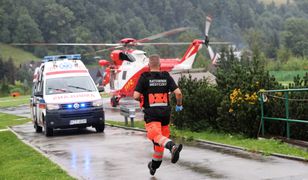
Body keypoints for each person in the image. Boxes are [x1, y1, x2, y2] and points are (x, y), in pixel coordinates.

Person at [133, 54, 183, 176]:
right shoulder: (166, 76)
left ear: (149, 66)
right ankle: (154, 166)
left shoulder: (144, 77)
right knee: (160, 142)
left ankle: (172, 147)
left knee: (154, 135)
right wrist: (179, 105)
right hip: (165, 114)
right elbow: (178, 93)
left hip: (152, 115)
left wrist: (141, 100)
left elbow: (135, 96)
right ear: (160, 66)